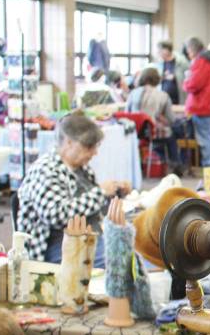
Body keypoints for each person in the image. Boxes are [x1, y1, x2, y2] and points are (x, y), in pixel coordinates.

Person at [17, 114, 129, 266]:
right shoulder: (45, 170)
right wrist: (100, 192)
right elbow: (56, 215)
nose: (94, 152)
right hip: (55, 246)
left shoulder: (81, 169)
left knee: (131, 246)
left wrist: (116, 192)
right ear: (69, 142)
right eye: (89, 146)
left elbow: (91, 207)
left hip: (85, 236)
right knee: (121, 258)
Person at [127, 67, 182, 175]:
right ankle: (175, 164)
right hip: (154, 133)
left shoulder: (133, 94)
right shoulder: (163, 96)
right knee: (173, 133)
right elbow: (171, 119)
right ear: (157, 79)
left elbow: (127, 114)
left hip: (136, 133)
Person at [182, 36, 210, 167]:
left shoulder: (201, 61)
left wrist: (186, 82)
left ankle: (209, 169)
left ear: (191, 50)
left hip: (200, 106)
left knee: (206, 140)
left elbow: (194, 84)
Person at [146, 40, 189, 105]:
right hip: (162, 97)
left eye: (160, 50)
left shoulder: (181, 61)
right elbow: (155, 79)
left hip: (178, 97)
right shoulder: (159, 63)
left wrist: (175, 77)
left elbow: (189, 77)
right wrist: (163, 76)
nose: (158, 53)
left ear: (166, 50)